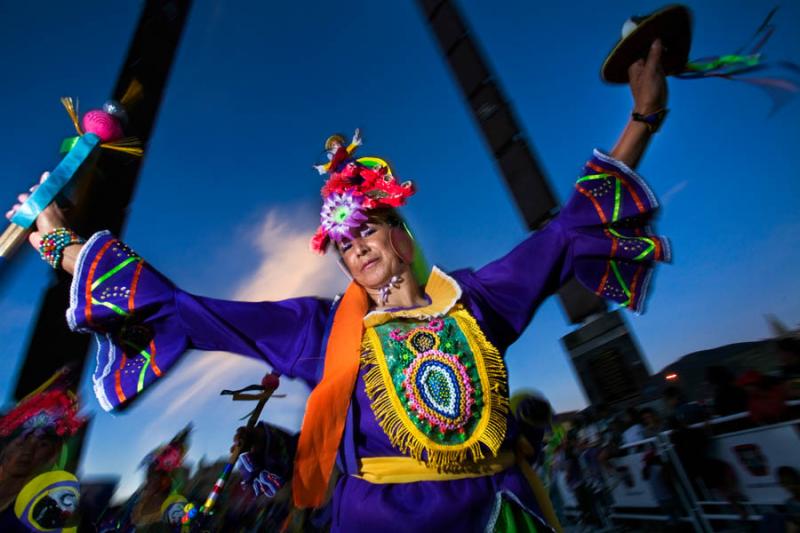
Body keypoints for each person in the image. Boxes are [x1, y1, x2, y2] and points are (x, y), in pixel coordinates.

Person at [8, 36, 671, 532]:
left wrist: (643, 116)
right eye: (346, 244)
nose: (358, 247)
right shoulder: (320, 330)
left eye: (370, 231)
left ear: (403, 237)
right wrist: (65, 246)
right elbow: (190, 310)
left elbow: (568, 231)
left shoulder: (477, 300)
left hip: (501, 516)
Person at [0, 368, 84, 533]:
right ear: (6, 447)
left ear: (52, 456)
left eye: (43, 444)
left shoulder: (45, 511)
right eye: (23, 441)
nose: (28, 451)